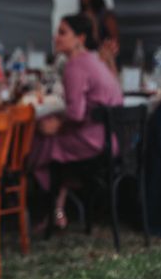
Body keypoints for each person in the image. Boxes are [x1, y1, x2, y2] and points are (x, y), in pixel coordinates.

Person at [28, 14, 123, 229]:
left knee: (39, 141)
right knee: (49, 138)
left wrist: (57, 125)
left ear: (80, 37)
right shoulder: (94, 60)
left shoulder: (75, 65)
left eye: (62, 32)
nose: (56, 37)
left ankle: (43, 207)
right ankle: (58, 206)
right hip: (110, 140)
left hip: (92, 143)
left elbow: (76, 115)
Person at [78, 0, 119, 75]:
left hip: (103, 61)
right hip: (84, 61)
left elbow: (114, 41)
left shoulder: (106, 16)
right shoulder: (80, 16)